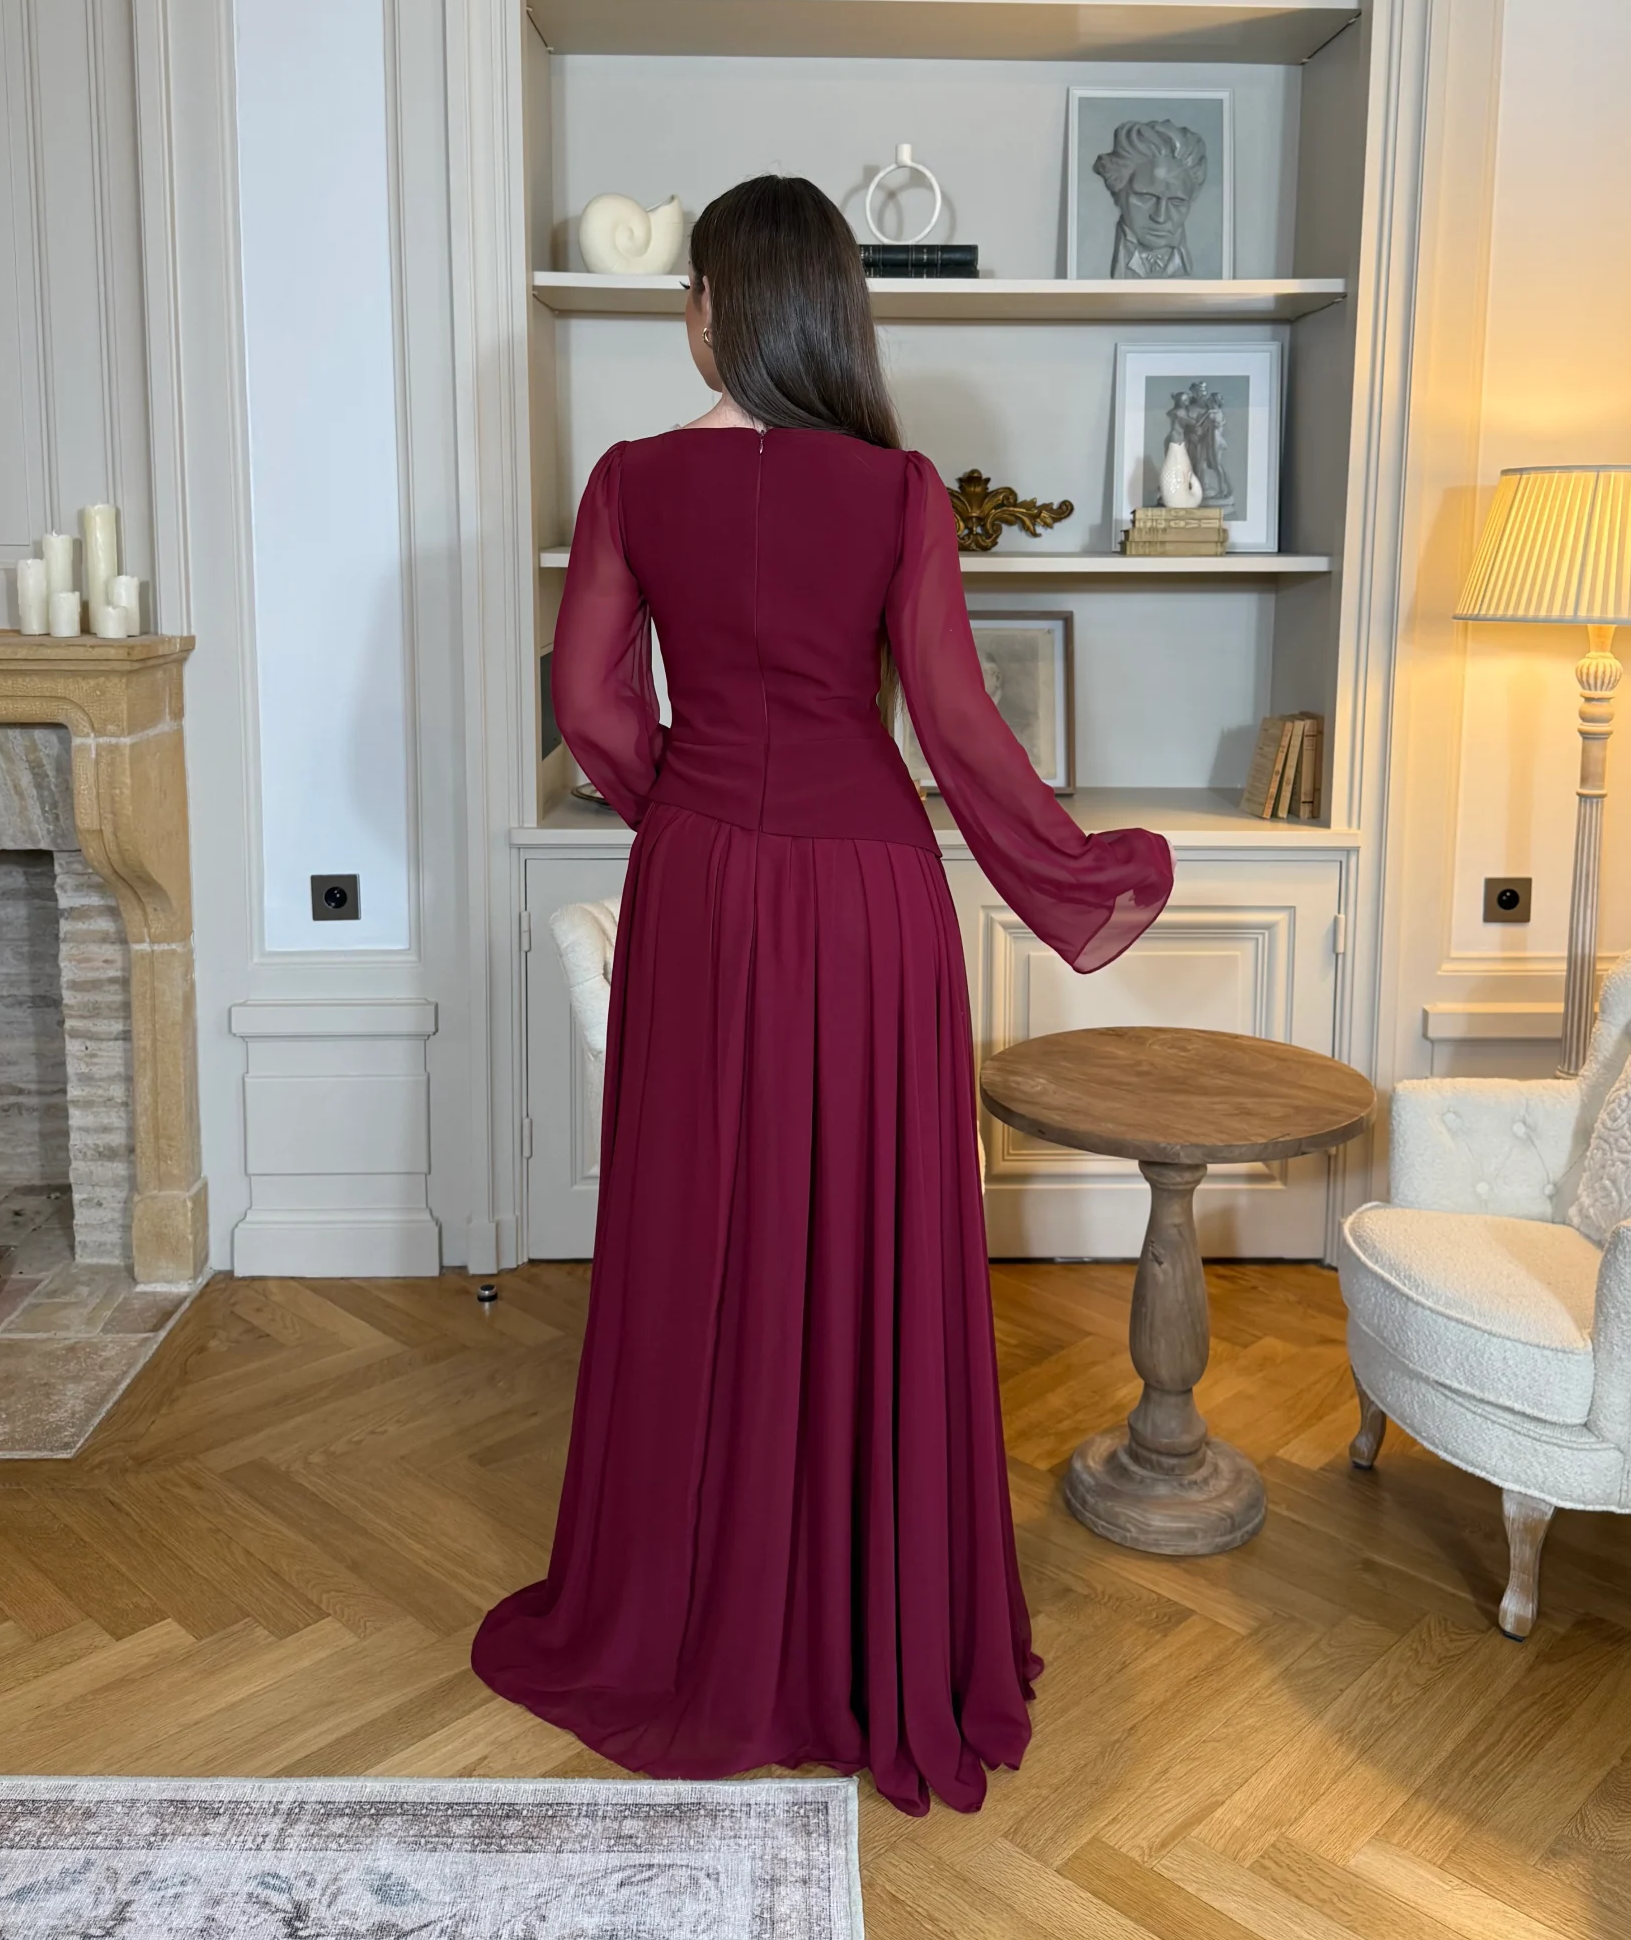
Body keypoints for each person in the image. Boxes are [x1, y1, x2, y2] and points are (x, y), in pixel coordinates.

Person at [471, 176, 1174, 1816]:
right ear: (831, 314)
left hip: (706, 888)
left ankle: (695, 1610)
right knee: (870, 1232)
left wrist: (683, 805)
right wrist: (1082, 866)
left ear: (713, 309)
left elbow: (588, 704)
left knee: (702, 1234)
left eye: (693, 293)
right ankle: (869, 1626)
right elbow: (957, 725)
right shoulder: (902, 490)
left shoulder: (633, 480)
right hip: (872, 899)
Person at [1092, 117, 1207, 277]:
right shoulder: (1091, 252)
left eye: (1177, 201)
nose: (1160, 217)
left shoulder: (1207, 254)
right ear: (1118, 194)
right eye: (1146, 197)